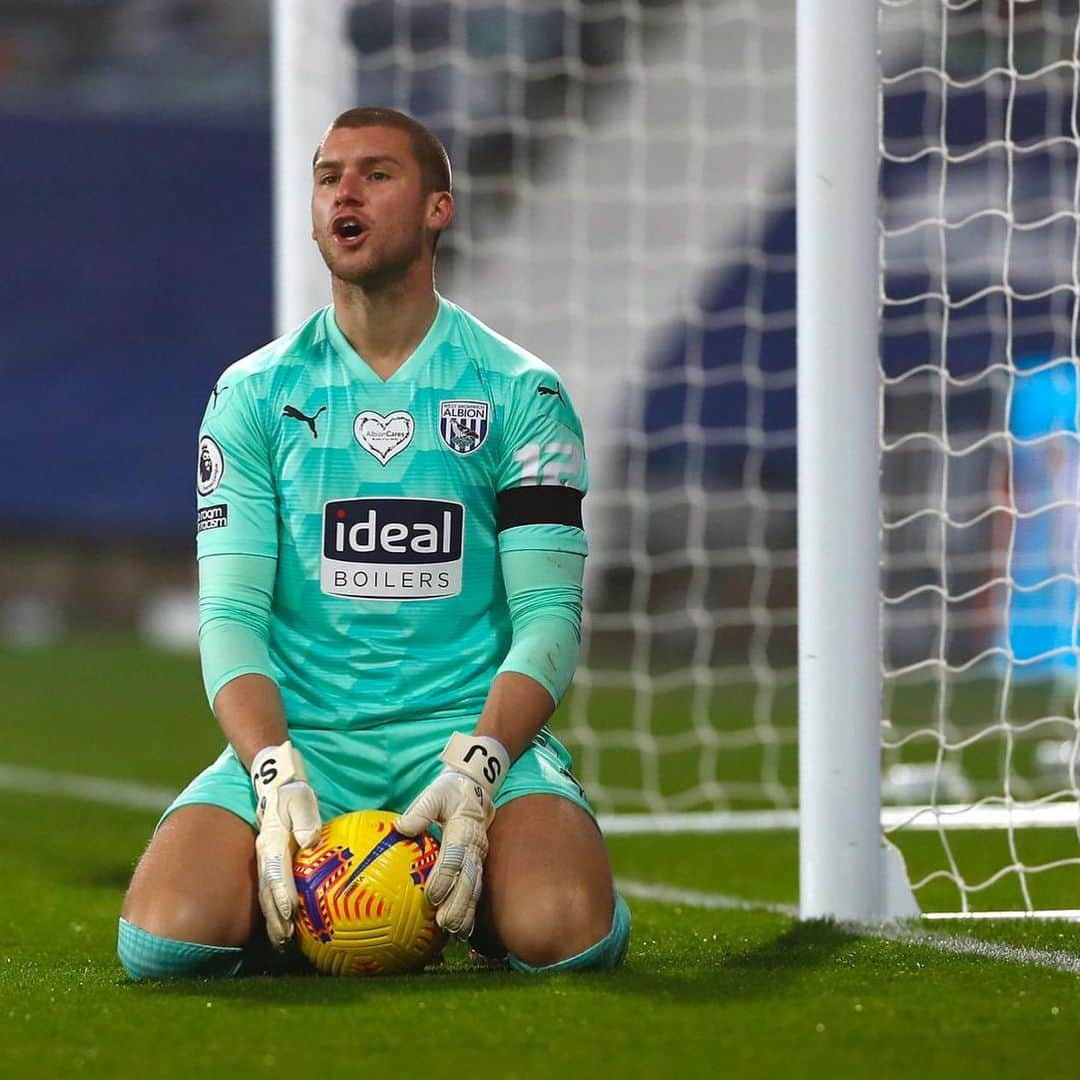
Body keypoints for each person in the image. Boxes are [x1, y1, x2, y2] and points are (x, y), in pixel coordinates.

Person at [117, 106, 631, 979]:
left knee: (565, 934)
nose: (343, 192)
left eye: (375, 174)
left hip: (469, 737)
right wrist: (272, 770)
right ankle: (308, 902)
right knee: (165, 944)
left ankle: (502, 886)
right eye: (328, 177)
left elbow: (548, 617)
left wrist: (482, 763)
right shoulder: (250, 395)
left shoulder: (521, 393)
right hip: (304, 743)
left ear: (439, 208)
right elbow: (231, 616)